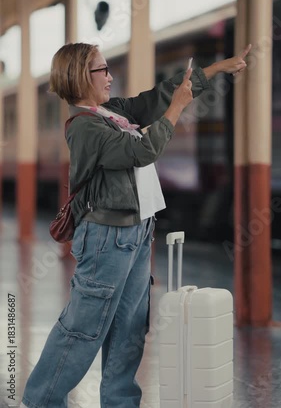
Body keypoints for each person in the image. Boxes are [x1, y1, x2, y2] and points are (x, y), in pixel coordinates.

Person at [20, 42, 251, 408]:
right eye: (103, 70)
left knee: (129, 330)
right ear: (82, 76)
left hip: (138, 231)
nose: (111, 77)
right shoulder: (84, 127)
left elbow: (155, 97)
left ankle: (120, 402)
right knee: (83, 329)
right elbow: (141, 152)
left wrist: (216, 69)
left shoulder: (111, 112)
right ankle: (41, 400)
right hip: (107, 238)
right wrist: (178, 109)